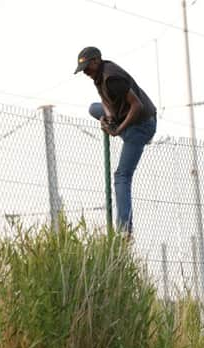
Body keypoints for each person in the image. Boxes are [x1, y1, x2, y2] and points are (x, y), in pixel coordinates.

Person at [75, 46, 157, 234]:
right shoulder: (98, 76)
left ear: (96, 61)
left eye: (87, 67)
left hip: (142, 123)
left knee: (122, 176)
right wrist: (109, 118)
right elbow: (104, 100)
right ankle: (122, 131)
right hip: (124, 116)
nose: (85, 72)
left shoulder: (112, 79)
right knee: (93, 109)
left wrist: (118, 129)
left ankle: (124, 229)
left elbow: (137, 105)